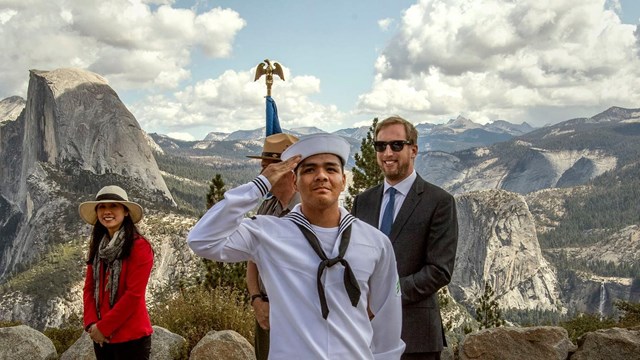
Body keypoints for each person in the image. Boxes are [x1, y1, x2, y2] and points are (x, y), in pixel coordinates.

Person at [188, 133, 405, 359]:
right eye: (309, 170)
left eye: (330, 169)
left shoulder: (375, 242)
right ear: (294, 182)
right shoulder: (268, 234)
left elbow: (388, 318)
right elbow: (202, 239)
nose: (321, 176)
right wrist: (260, 184)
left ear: (343, 180)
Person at [351, 116, 458, 360]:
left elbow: (439, 271)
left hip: (415, 336)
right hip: (365, 335)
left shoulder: (439, 202)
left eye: (396, 145)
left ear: (413, 150)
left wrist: (385, 296)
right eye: (380, 146)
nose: (387, 152)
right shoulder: (363, 202)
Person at [79, 185, 154, 359]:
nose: (107, 211)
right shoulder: (99, 247)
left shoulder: (139, 246)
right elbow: (89, 288)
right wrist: (92, 325)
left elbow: (133, 295)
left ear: (126, 212)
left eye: (114, 206)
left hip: (131, 338)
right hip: (102, 339)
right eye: (102, 207)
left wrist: (103, 328)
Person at [245, 132, 299, 360]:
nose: (262, 174)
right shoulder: (266, 209)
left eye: (267, 167)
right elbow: (253, 259)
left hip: (298, 313)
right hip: (267, 312)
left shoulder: (308, 211)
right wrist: (256, 300)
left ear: (287, 170)